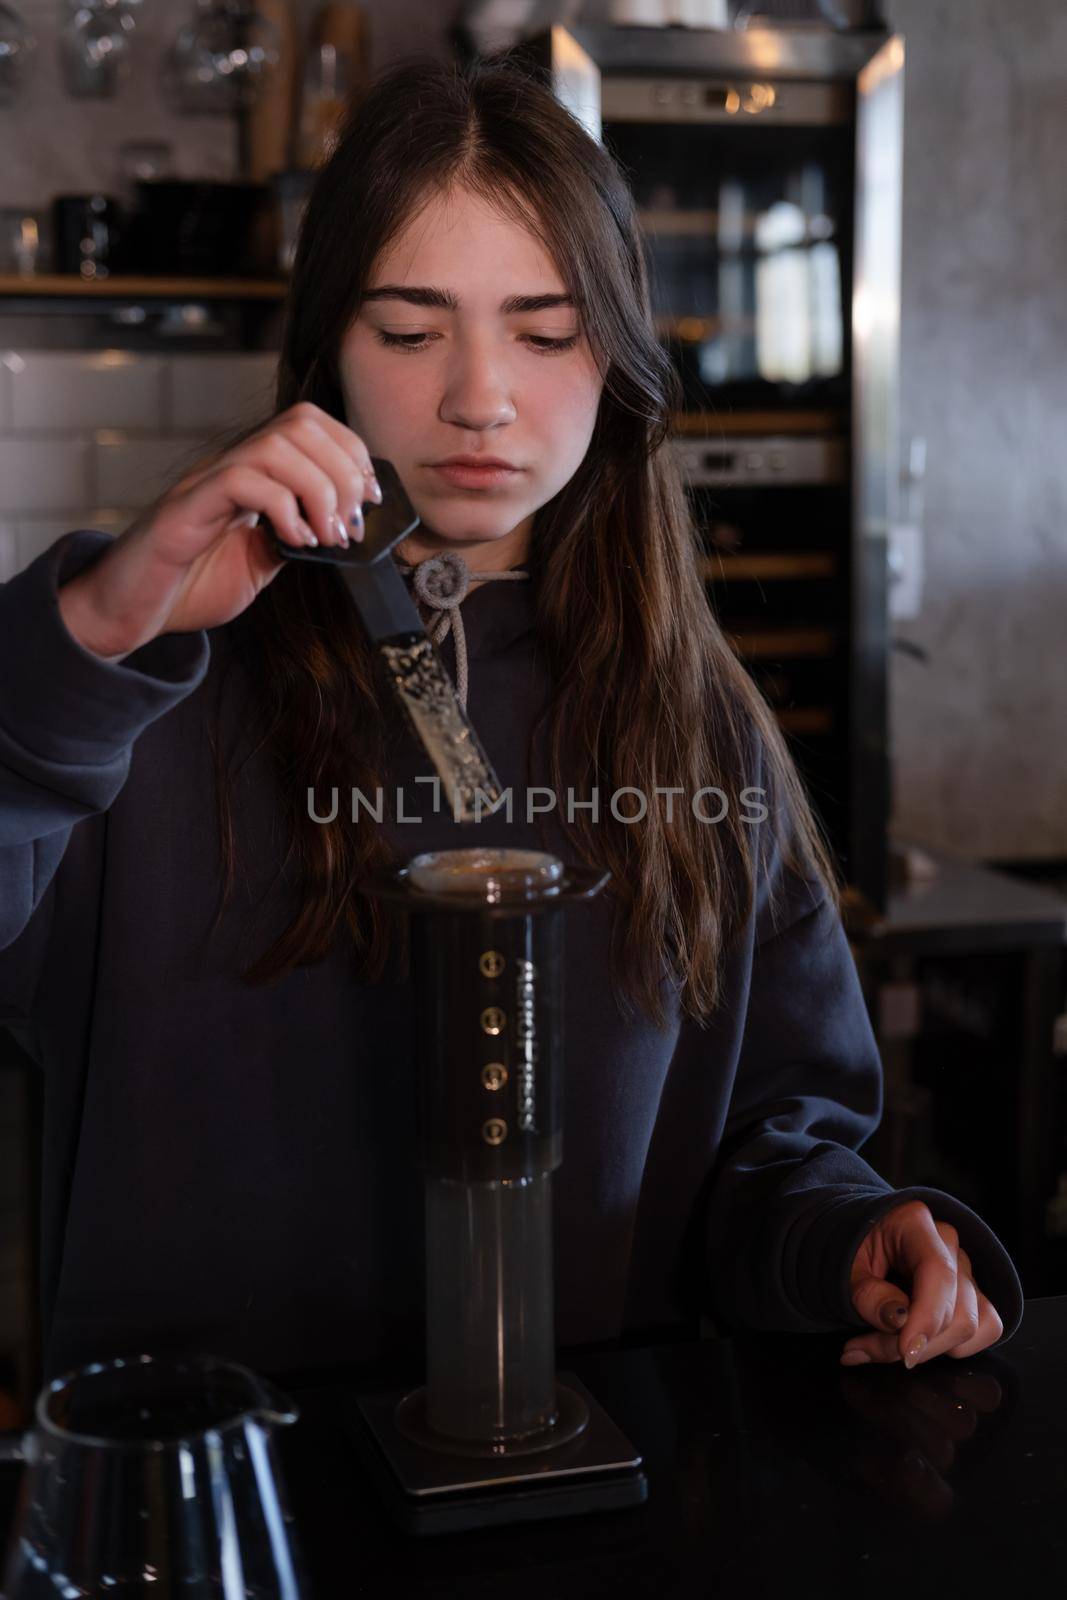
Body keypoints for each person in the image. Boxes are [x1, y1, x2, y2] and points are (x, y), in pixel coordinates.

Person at [0, 54, 1021, 1385]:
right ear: (326, 354)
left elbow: (772, 1132)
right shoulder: (147, 673)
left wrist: (842, 1237)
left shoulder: (689, 715)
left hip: (588, 1494)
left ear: (618, 362)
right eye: (412, 332)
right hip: (229, 1497)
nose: (480, 396)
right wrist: (88, 641)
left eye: (544, 335)